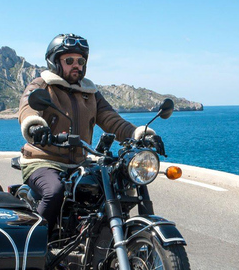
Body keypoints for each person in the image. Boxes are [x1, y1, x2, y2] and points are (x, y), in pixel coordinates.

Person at [18, 33, 155, 231]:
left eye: (80, 61)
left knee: (115, 187)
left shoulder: (90, 93)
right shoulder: (42, 85)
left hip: (79, 163)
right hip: (43, 160)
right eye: (69, 61)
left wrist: (141, 134)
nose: (77, 65)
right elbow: (27, 109)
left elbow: (112, 120)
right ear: (55, 62)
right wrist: (35, 126)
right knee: (54, 191)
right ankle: (34, 241)